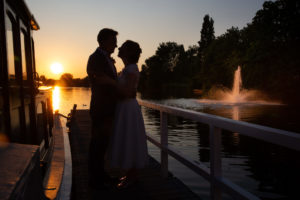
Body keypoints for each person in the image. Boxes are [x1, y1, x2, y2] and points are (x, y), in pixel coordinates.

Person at [108, 40, 149, 189]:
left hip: (127, 108)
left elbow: (130, 92)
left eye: (123, 47)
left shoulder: (131, 69)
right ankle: (131, 175)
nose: (119, 48)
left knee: (129, 138)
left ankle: (132, 177)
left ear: (128, 52)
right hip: (124, 107)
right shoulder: (127, 68)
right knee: (127, 138)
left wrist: (110, 84)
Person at [86, 28, 119, 189]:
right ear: (104, 41)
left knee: (102, 144)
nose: (116, 44)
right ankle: (95, 179)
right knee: (97, 144)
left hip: (108, 108)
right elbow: (96, 77)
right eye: (113, 41)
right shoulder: (95, 58)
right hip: (101, 108)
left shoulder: (106, 58)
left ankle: (100, 175)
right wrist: (116, 84)